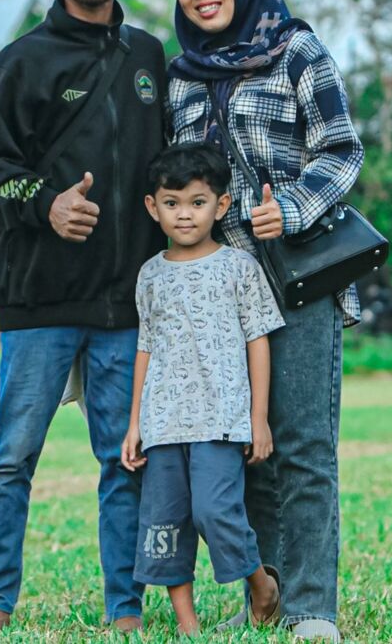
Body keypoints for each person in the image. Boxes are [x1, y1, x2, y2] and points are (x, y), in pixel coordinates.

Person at [0, 0, 166, 633]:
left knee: (125, 460)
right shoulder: (19, 63)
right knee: (13, 455)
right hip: (40, 298)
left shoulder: (148, 58)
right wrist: (47, 204)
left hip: (126, 301)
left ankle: (126, 611)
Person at [167, 0, 364, 642]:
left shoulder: (297, 51)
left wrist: (296, 206)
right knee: (245, 450)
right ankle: (265, 594)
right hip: (219, 289)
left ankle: (312, 608)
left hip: (299, 276)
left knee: (304, 445)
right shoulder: (180, 76)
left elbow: (342, 150)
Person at [121, 142, 285, 636]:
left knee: (216, 512)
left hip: (221, 420)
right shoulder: (150, 275)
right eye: (171, 203)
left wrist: (258, 418)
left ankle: (262, 587)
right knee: (166, 522)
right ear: (153, 207)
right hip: (163, 424)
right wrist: (135, 424)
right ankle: (188, 627)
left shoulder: (239, 267)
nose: (185, 214)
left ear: (221, 204)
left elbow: (258, 340)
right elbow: (145, 347)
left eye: (197, 202)